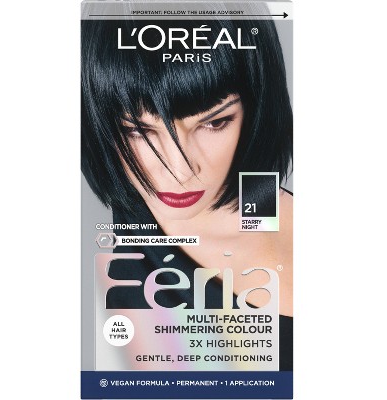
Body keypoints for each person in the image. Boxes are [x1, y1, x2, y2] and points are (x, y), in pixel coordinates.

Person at [82, 18, 293, 370]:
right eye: (139, 131)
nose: (180, 172)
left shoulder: (260, 194)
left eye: (214, 122)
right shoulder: (137, 286)